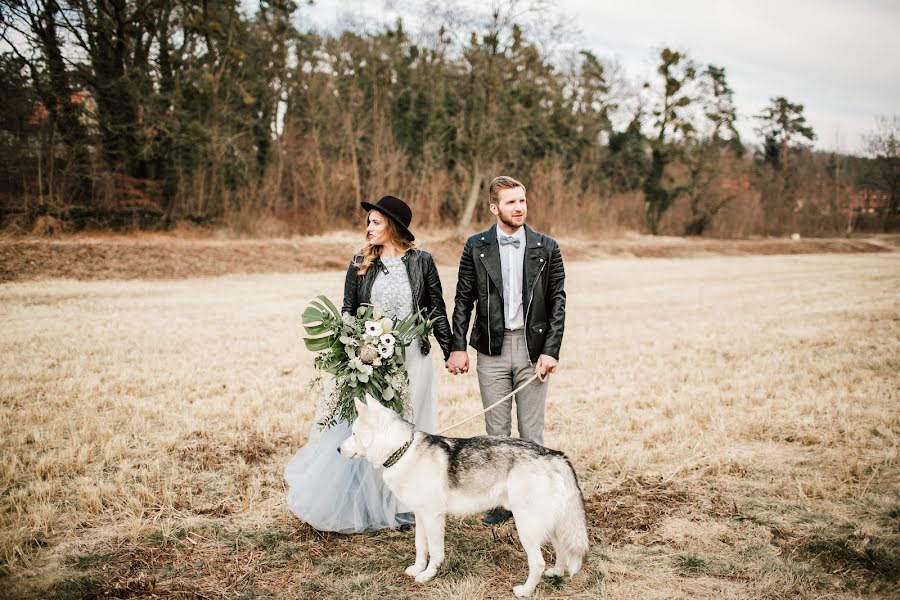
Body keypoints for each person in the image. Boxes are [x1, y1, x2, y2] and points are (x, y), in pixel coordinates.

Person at [284, 195, 452, 533]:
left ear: (393, 224)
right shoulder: (360, 261)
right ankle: (360, 501)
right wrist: (351, 349)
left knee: (408, 428)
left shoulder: (422, 261)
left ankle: (402, 505)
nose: (368, 227)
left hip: (412, 360)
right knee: (365, 428)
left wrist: (451, 350)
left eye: (375, 221)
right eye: (368, 222)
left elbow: (436, 309)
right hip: (370, 359)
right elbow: (348, 309)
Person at [446, 175, 566, 525]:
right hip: (491, 349)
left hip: (532, 350)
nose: (520, 208)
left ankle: (538, 499)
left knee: (532, 432)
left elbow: (557, 301)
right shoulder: (476, 245)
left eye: (523, 201)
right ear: (494, 207)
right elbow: (463, 299)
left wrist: (551, 350)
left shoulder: (547, 247)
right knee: (496, 433)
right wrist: (457, 346)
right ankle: (503, 502)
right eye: (511, 202)